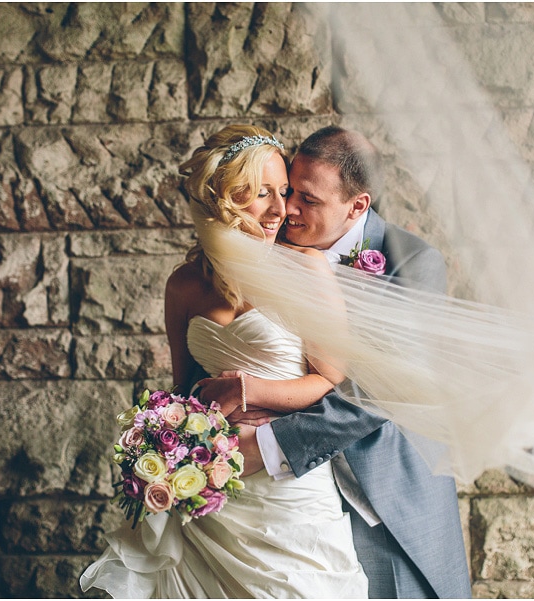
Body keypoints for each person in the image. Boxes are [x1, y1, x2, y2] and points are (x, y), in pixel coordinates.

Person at [80, 125, 368, 598]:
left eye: (285, 192)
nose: (281, 209)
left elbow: (329, 381)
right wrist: (162, 444)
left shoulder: (306, 270)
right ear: (224, 199)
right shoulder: (184, 285)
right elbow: (180, 389)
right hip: (212, 492)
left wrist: (249, 391)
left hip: (288, 491)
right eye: (262, 194)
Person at [201, 126, 472, 598]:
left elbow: (378, 392)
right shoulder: (268, 245)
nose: (288, 210)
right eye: (289, 191)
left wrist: (262, 447)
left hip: (380, 500)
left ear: (357, 207)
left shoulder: (413, 263)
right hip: (282, 510)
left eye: (307, 199)